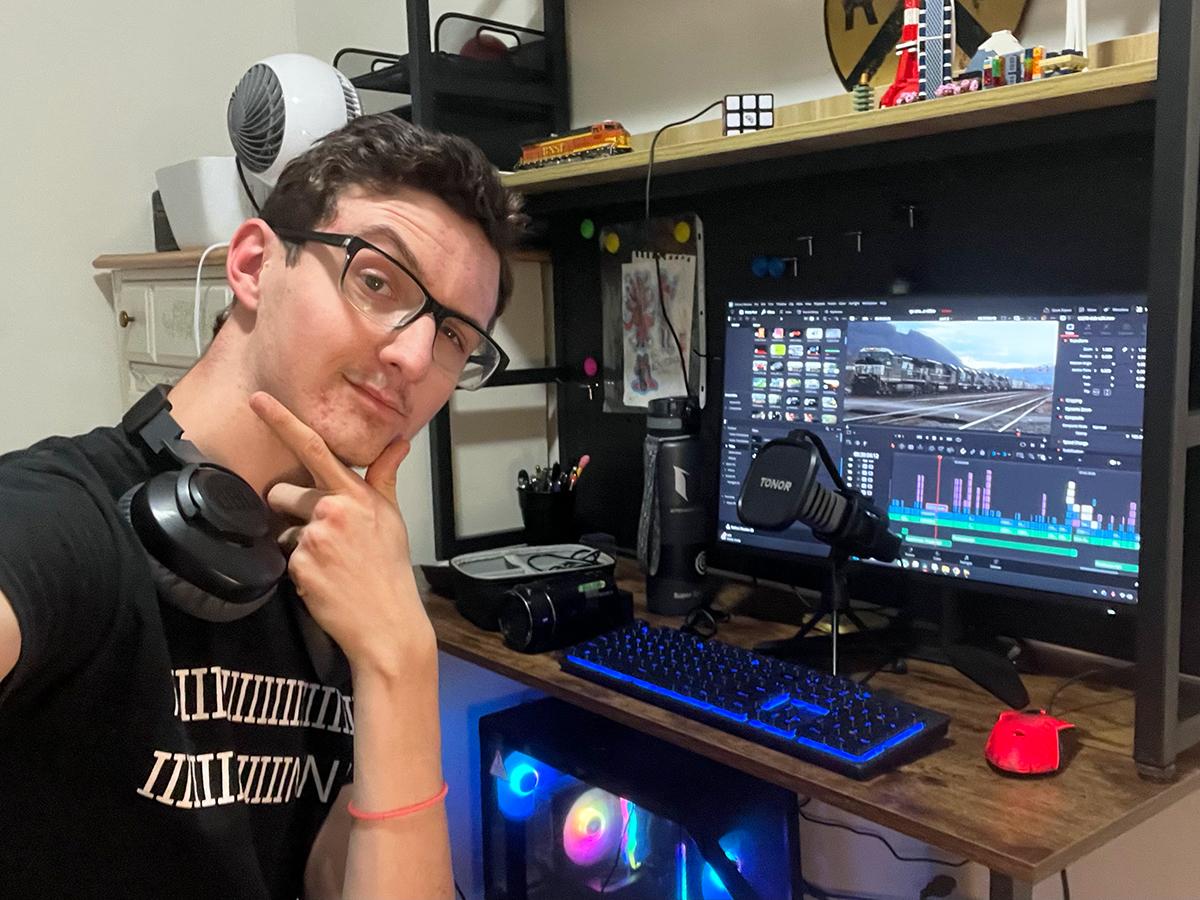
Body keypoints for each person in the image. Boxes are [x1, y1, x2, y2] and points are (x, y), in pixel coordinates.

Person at [0, 114, 527, 898]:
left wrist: (400, 664)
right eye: (378, 280)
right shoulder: (65, 521)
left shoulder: (349, 588)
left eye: (453, 336)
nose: (415, 357)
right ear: (251, 264)